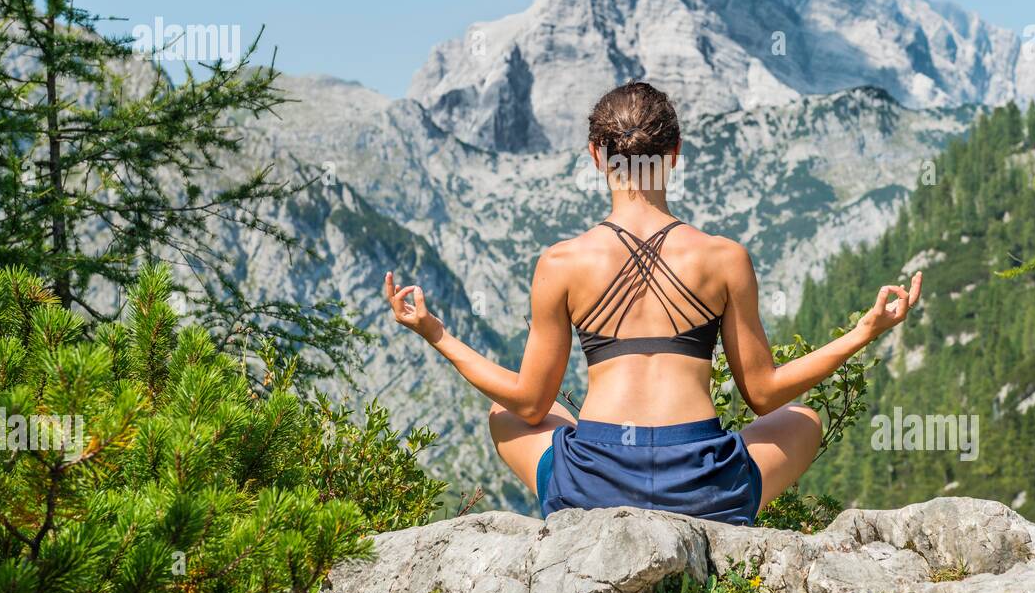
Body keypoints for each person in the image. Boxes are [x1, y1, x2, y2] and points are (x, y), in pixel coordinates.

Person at [385, 81, 921, 525]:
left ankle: (576, 512)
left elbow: (528, 404)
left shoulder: (561, 262)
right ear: (674, 155)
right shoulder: (725, 258)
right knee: (801, 420)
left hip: (595, 483)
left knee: (505, 414)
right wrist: (863, 333)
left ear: (597, 156)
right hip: (703, 485)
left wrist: (436, 332)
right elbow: (763, 394)